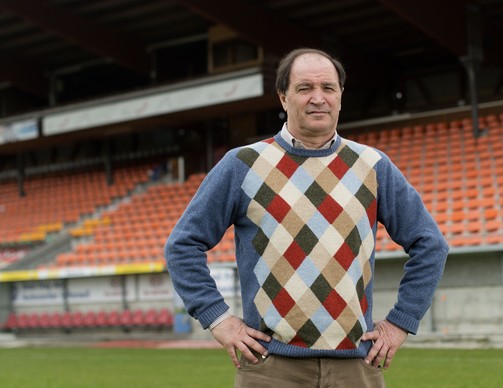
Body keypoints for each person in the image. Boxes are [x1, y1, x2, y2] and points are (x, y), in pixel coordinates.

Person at [164, 48, 448, 387]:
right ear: (283, 97)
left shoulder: (373, 166)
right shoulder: (242, 164)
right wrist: (219, 320)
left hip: (356, 368)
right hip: (270, 368)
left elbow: (431, 245)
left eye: (328, 88)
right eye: (305, 88)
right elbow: (182, 245)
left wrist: (401, 321)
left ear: (341, 96)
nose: (318, 98)